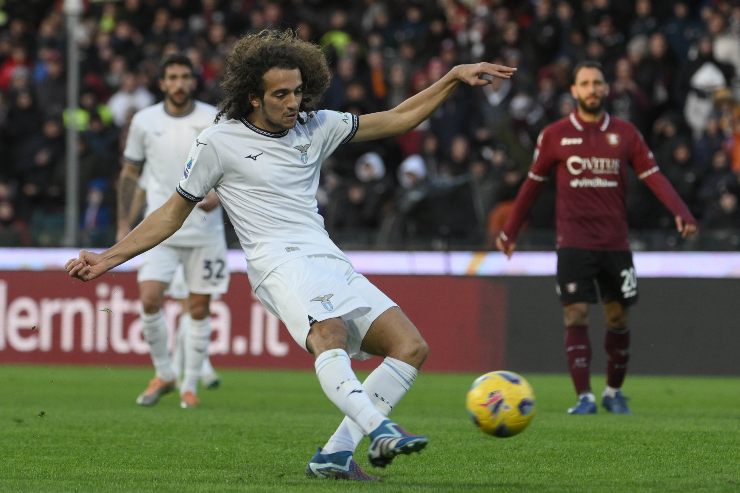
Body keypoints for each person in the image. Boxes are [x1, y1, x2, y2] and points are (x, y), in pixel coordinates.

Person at [67, 29, 515, 478]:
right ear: (253, 98)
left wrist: (453, 78)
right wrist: (109, 258)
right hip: (276, 262)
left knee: (411, 347)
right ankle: (380, 427)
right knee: (330, 332)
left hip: (325, 256)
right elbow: (171, 213)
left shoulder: (316, 126)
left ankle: (334, 455)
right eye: (281, 94)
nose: (293, 102)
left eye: (298, 91)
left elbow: (398, 118)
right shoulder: (217, 142)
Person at [496, 61, 698, 415]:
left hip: (615, 243)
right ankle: (584, 397)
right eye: (585, 83)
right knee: (574, 314)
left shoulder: (627, 134)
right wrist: (510, 229)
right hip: (573, 242)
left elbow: (654, 176)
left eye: (597, 83)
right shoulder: (555, 135)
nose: (592, 89)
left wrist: (681, 211)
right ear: (574, 91)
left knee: (618, 318)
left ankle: (613, 392)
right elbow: (531, 186)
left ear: (606, 89)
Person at [116, 54, 230, 409]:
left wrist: (219, 193)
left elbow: (236, 169)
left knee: (198, 308)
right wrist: (124, 223)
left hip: (204, 230)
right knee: (150, 298)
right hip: (158, 228)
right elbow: (131, 174)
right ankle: (164, 372)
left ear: (193, 81)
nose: (179, 83)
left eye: (185, 77)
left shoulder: (215, 118)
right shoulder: (144, 122)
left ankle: (189, 386)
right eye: (172, 77)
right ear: (162, 83)